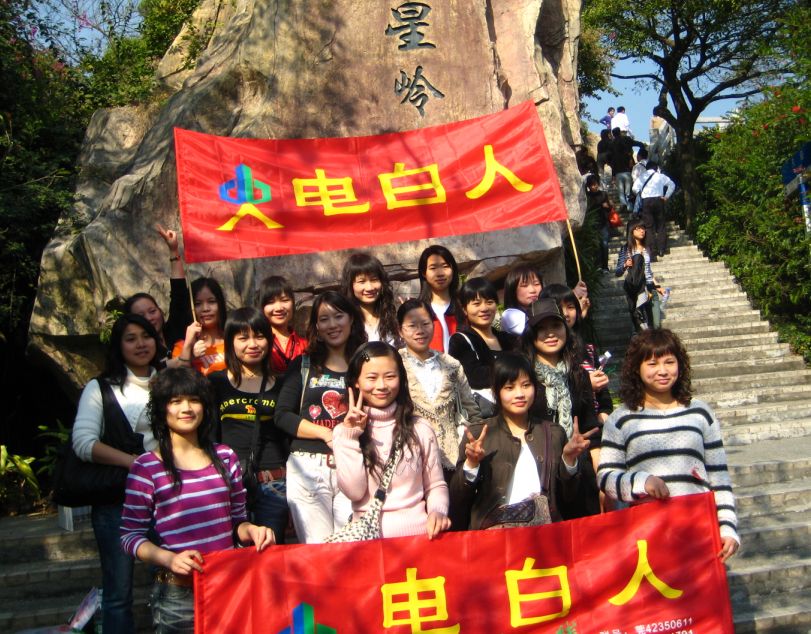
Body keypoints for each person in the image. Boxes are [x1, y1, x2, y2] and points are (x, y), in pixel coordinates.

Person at [120, 367, 275, 633]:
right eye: (176, 401)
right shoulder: (146, 468)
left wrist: (252, 530)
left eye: (194, 400)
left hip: (228, 585)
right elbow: (129, 536)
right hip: (177, 595)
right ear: (161, 410)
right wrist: (168, 558)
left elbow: (237, 521)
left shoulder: (225, 457)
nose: (186, 408)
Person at [597, 329, 740, 562]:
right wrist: (642, 482)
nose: (662, 371)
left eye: (669, 362)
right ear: (636, 368)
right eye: (652, 364)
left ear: (680, 365)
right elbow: (606, 477)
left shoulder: (700, 412)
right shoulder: (621, 419)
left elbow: (719, 477)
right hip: (647, 534)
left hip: (698, 528)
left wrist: (727, 527)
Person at [72, 314, 162, 634]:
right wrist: (132, 462)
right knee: (117, 592)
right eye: (130, 338)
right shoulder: (99, 387)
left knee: (172, 584)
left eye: (146, 336)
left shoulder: (170, 382)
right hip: (117, 500)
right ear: (118, 346)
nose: (140, 344)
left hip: (167, 498)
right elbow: (83, 443)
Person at [449, 353, 595, 530]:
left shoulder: (553, 433)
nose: (519, 394)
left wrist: (569, 460)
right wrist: (471, 464)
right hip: (495, 538)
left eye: (526, 385)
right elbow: (458, 499)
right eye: (509, 388)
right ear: (496, 391)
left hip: (544, 534)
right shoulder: (479, 434)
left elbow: (569, 498)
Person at [332, 341, 451, 539]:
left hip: (419, 540)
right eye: (372, 378)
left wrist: (437, 512)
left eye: (390, 376)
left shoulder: (420, 428)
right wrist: (351, 436)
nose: (381, 386)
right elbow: (354, 492)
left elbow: (435, 485)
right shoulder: (343, 433)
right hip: (368, 542)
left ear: (401, 378)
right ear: (356, 381)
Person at [275, 291, 367, 543]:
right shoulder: (304, 364)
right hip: (308, 468)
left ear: (351, 319)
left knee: (353, 546)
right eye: (324, 319)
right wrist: (327, 434)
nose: (332, 325)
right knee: (319, 550)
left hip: (353, 465)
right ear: (316, 326)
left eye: (338, 316)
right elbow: (282, 415)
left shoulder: (364, 366)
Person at [208, 307, 289, 542]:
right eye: (243, 338)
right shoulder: (215, 382)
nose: (252, 344)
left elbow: (287, 437)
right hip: (230, 483)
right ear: (230, 342)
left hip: (274, 483)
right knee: (232, 554)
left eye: (259, 336)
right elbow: (210, 435)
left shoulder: (283, 383)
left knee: (270, 552)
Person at [523, 298, 601, 519]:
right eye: (542, 328)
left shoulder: (578, 374)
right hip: (539, 471)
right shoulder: (524, 376)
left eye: (556, 326)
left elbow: (590, 427)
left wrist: (600, 477)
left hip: (579, 469)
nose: (550, 334)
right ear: (531, 334)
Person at [396, 299, 482, 481]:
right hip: (408, 460)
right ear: (400, 330)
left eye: (425, 324)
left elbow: (472, 411)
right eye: (412, 326)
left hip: (452, 460)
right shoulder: (393, 364)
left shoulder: (451, 365)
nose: (420, 331)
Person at [123, 225, 193, 368]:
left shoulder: (175, 329)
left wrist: (173, 250)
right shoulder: (138, 350)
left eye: (152, 311)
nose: (149, 318)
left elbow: (179, 294)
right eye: (141, 315)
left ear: (160, 311)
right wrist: (182, 358)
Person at [448, 277, 514, 417]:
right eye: (476, 304)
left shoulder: (508, 339)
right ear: (464, 309)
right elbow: (474, 377)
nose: (484, 308)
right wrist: (513, 370)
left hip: (515, 411)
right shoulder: (460, 341)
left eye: (490, 302)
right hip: (486, 417)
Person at [340, 252, 401, 346]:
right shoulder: (343, 321)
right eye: (362, 281)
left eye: (374, 280)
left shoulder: (392, 316)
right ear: (350, 285)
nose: (370, 288)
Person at [172, 277, 228, 376]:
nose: (205, 309)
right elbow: (178, 380)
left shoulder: (234, 340)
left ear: (220, 304)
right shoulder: (182, 347)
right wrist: (189, 352)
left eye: (211, 301)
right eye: (198, 304)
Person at [616, 220, 664, 331]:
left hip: (650, 288)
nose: (642, 231)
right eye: (638, 228)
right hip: (638, 290)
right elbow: (618, 272)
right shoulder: (626, 249)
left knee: (656, 325)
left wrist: (658, 286)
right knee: (643, 327)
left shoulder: (647, 248)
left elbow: (648, 271)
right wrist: (625, 265)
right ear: (631, 231)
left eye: (643, 228)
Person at [417, 245, 461, 353]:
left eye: (445, 266)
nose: (440, 273)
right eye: (433, 268)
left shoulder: (464, 306)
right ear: (424, 273)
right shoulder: (417, 310)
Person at [259, 275, 306, 374]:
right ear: (262, 307)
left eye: (285, 300)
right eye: (271, 302)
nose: (279, 308)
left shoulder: (305, 345)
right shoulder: (257, 344)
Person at [632, 160, 676, 260]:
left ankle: (652, 250)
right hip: (659, 200)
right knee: (661, 225)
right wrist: (666, 196)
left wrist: (641, 192)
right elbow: (672, 184)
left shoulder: (642, 177)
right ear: (656, 168)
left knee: (648, 226)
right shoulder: (660, 176)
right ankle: (661, 249)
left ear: (646, 168)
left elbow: (634, 189)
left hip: (646, 201)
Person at [610, 127, 645, 211]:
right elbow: (639, 144)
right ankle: (630, 207)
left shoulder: (612, 144)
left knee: (621, 191)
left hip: (618, 171)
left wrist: (613, 175)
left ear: (613, 134)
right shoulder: (627, 140)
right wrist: (642, 151)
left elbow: (612, 162)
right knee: (628, 190)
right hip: (628, 170)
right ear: (620, 132)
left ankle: (623, 204)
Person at [585, 174, 611, 273]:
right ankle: (597, 266)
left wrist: (607, 206)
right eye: (592, 185)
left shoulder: (603, 194)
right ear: (588, 186)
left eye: (595, 184)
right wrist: (600, 204)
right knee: (596, 246)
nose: (594, 187)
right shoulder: (587, 196)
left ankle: (605, 267)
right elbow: (589, 207)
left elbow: (609, 208)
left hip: (603, 223)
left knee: (604, 244)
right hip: (592, 224)